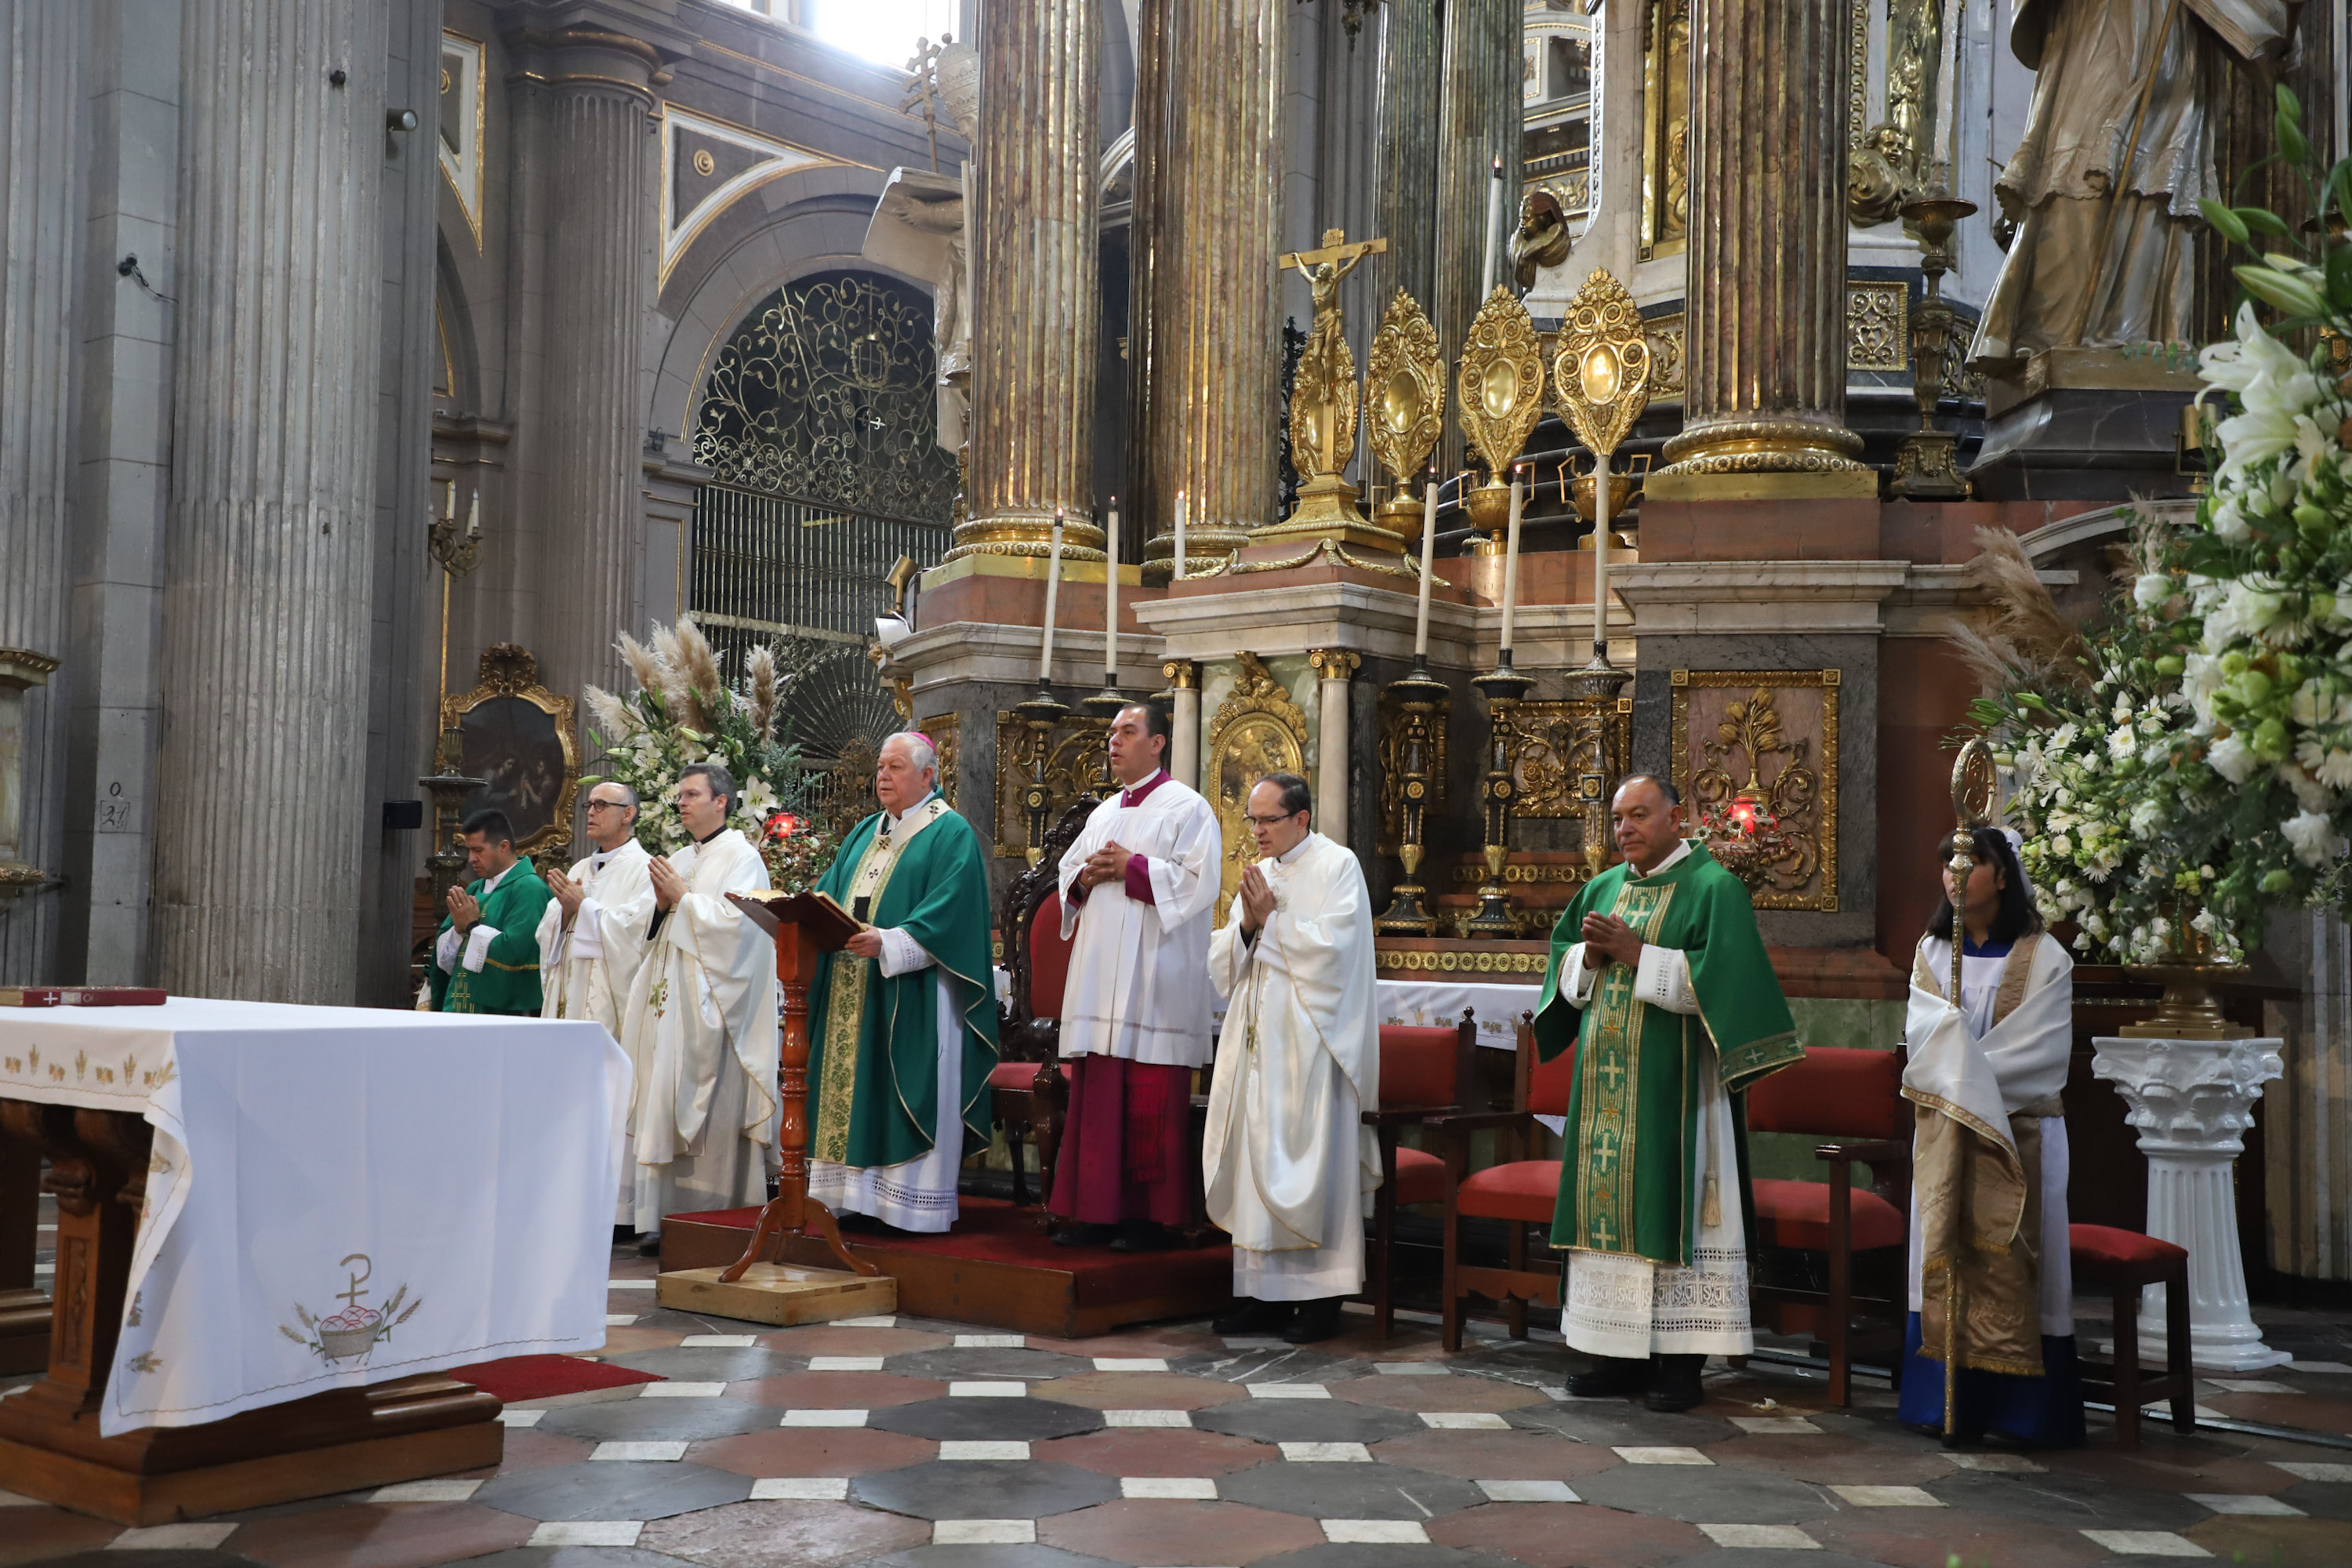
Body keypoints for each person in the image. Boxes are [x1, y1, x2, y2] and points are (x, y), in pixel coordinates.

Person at [1536, 774, 1800, 1412]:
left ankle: (1681, 1363)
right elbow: (1561, 966)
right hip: (1606, 1094)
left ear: (1676, 818)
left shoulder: (1716, 889)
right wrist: (1590, 963)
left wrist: (1637, 953)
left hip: (1681, 1096)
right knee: (1612, 1206)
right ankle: (1616, 1353)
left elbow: (1726, 986)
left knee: (1675, 1206)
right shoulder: (1603, 887)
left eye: (1639, 816)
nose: (1624, 828)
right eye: (1618, 818)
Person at [1970, 0, 2294, 365]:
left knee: (2154, 178)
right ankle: (2055, 335)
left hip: (2173, 29)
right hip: (2096, 22)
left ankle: (2134, 334)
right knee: (2081, 167)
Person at [1898, 827, 2084, 1446]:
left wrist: (1961, 1077)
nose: (1955, 875)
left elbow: (2038, 1053)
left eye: (1970, 862)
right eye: (1947, 863)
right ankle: (1943, 1405)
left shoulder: (2046, 958)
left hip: (2020, 1130)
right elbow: (1922, 1042)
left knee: (2020, 1259)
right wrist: (1956, 1076)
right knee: (1944, 1255)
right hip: (1947, 1135)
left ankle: (2021, 1413)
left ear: (2002, 876)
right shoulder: (1930, 952)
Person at [1204, 772, 1378, 1345]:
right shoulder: (1261, 876)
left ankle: (1322, 1300)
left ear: (1300, 818)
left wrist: (1271, 924)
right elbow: (1226, 960)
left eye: (1267, 820)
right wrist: (1251, 924)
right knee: (1256, 1166)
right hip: (1256, 1042)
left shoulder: (1337, 866)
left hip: (1312, 1045)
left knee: (1311, 1166)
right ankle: (1263, 1297)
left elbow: (1338, 952)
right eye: (1251, 820)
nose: (1256, 831)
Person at [804, 731, 999, 1233]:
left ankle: (906, 1205)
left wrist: (891, 943)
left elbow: (952, 912)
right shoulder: (867, 830)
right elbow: (828, 895)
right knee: (852, 1084)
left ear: (927, 776)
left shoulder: (950, 832)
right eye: (880, 768)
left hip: (916, 992)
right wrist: (798, 912)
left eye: (894, 767)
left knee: (902, 1082)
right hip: (853, 982)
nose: (882, 777)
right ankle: (847, 1197)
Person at [1050, 702, 1221, 1250]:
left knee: (1149, 1097)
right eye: (1111, 733)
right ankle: (1094, 1212)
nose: (1114, 742)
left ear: (1158, 743)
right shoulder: (1101, 814)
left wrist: (1133, 868)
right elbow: (1067, 878)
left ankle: (1147, 1220)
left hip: (1156, 979)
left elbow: (1202, 885)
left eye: (1128, 731)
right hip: (1103, 978)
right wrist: (1084, 877)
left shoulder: (1188, 809)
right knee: (1098, 1098)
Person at [616, 764, 779, 1246]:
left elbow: (744, 930)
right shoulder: (681, 857)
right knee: (660, 1100)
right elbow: (653, 922)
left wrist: (683, 900)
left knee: (712, 1113)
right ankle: (659, 1217)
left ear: (721, 801)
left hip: (715, 1011)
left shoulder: (742, 858)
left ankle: (715, 1218)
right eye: (680, 795)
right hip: (671, 1003)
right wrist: (667, 905)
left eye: (691, 794)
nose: (681, 803)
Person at [539, 782, 658, 1230]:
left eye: (602, 805)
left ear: (629, 814)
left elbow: (638, 933)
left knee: (608, 1098)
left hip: (608, 1007)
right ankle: (568, 1195)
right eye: (589, 804)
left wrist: (585, 908)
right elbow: (550, 928)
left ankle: (613, 1207)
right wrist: (567, 910)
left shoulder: (643, 868)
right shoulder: (582, 866)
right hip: (570, 997)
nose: (591, 811)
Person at [426, 808, 551, 1015]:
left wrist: (473, 927)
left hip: (498, 1016)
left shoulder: (529, 889)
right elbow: (443, 962)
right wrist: (458, 930)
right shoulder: (475, 889)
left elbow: (518, 954)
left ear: (503, 847)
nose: (470, 859)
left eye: (478, 850)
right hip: (456, 1008)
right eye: (469, 850)